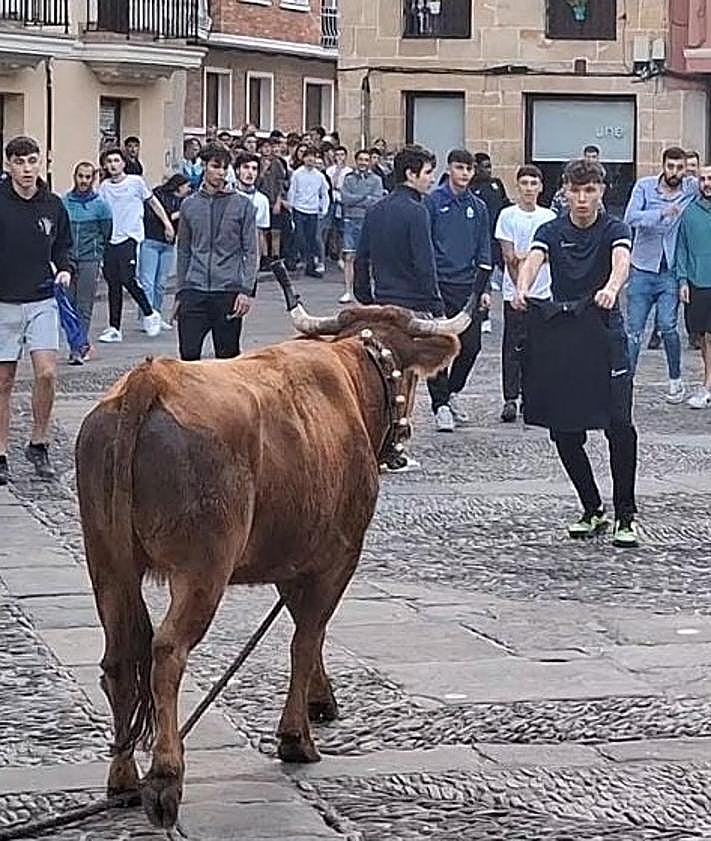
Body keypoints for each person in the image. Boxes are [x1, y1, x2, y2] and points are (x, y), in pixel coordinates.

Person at [513, 158, 638, 548]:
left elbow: (622, 261)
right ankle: (592, 508)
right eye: (576, 191)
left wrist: (612, 288)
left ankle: (626, 514)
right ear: (565, 192)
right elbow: (533, 259)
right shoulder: (551, 229)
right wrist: (521, 287)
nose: (582, 199)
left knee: (619, 426)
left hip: (604, 330)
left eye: (590, 191)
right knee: (564, 430)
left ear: (602, 191)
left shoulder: (614, 227)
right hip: (564, 334)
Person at [354, 145, 442, 472]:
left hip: (381, 304)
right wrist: (435, 303)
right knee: (405, 382)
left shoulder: (376, 209)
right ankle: (394, 448)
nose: (431, 179)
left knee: (379, 376)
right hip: (411, 307)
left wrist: (365, 296)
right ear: (411, 173)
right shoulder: (417, 211)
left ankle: (379, 442)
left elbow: (361, 257)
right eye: (428, 172)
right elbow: (425, 261)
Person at [0, 136, 74, 484]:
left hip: (42, 299)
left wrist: (65, 268)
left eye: (31, 161)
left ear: (42, 162)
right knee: (4, 381)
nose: (26, 169)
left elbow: (63, 246)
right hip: (3, 302)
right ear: (8, 165)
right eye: (19, 162)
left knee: (46, 373)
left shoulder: (53, 205)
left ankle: (39, 441)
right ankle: (0, 452)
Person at [424, 149, 492, 432]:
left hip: (468, 287)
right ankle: (439, 404)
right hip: (439, 285)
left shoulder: (478, 207)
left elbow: (484, 247)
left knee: (471, 345)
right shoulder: (432, 202)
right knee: (438, 346)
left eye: (469, 169)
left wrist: (485, 287)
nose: (464, 173)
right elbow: (424, 244)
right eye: (460, 168)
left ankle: (452, 392)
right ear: (450, 169)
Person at [624, 146, 697, 402]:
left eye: (680, 168)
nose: (674, 172)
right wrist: (661, 213)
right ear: (663, 165)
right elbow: (630, 217)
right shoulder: (644, 187)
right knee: (634, 330)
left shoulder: (690, 187)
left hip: (670, 270)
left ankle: (675, 380)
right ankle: (626, 381)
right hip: (643, 266)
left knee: (668, 326)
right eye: (671, 166)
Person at [175, 143, 258, 361]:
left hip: (227, 290)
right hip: (195, 289)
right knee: (189, 356)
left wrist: (246, 290)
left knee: (228, 358)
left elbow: (251, 251)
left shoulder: (243, 205)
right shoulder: (189, 205)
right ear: (204, 167)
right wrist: (181, 291)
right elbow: (183, 249)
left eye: (224, 168)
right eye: (215, 166)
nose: (220, 172)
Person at [495, 164, 556, 422]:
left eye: (534, 183)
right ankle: (511, 396)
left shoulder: (549, 218)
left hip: (543, 293)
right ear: (518, 186)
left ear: (540, 187)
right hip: (514, 293)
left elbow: (551, 253)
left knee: (539, 348)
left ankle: (533, 396)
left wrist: (528, 259)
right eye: (525, 183)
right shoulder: (507, 216)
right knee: (512, 346)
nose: (529, 188)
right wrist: (520, 280)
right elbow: (509, 256)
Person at [97, 147, 174, 342]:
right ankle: (114, 327)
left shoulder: (135, 182)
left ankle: (149, 313)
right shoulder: (104, 187)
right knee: (113, 283)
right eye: (109, 161)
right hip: (110, 239)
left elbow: (154, 203)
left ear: (123, 163)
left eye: (116, 161)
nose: (113, 165)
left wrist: (166, 224)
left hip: (130, 237)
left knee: (127, 278)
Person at [62, 161, 113, 363]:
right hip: (68, 259)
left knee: (84, 305)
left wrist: (98, 253)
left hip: (89, 259)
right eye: (80, 176)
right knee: (68, 304)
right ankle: (76, 343)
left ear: (93, 179)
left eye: (87, 177)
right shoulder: (65, 202)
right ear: (75, 177)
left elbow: (106, 233)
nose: (83, 180)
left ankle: (79, 347)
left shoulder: (101, 205)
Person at [138, 173, 191, 331]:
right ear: (179, 186)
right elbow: (156, 215)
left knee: (161, 283)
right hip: (151, 240)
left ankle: (157, 313)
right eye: (187, 186)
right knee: (148, 282)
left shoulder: (184, 202)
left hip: (168, 244)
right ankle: (147, 316)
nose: (188, 190)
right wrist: (177, 215)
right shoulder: (159, 195)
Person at [677, 164, 711, 408]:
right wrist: (682, 280)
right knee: (706, 338)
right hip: (700, 282)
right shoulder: (689, 212)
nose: (707, 183)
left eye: (710, 178)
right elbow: (682, 248)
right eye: (703, 179)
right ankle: (708, 384)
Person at [470, 152, 511, 334]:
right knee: (483, 276)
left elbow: (504, 203)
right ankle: (483, 315)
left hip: (498, 237)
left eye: (489, 166)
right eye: (484, 166)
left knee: (508, 269)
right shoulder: (471, 188)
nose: (488, 170)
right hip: (482, 238)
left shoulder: (496, 184)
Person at [341, 149, 382, 304]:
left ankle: (371, 289)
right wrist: (365, 198)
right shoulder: (349, 178)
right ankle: (348, 291)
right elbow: (345, 198)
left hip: (369, 221)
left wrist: (357, 200)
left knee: (370, 258)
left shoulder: (376, 180)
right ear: (356, 161)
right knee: (349, 256)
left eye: (366, 159)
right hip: (351, 220)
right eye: (361, 159)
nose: (363, 163)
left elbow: (377, 200)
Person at [287, 146, 330, 278]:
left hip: (313, 210)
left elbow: (324, 193)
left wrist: (324, 208)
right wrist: (291, 207)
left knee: (311, 239)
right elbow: (292, 191)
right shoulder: (297, 174)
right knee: (299, 236)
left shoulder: (319, 176)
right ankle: (292, 259)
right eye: (308, 156)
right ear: (304, 158)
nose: (310, 159)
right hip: (299, 209)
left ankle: (310, 267)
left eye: (313, 156)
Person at [235, 152, 271, 268]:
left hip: (249, 258)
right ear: (237, 170)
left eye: (254, 169)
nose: (250, 172)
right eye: (245, 167)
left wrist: (257, 262)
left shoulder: (262, 200)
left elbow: (260, 233)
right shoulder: (227, 196)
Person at [258, 138, 288, 264]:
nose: (267, 149)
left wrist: (278, 201)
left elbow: (281, 183)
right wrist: (263, 172)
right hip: (262, 201)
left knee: (276, 231)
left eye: (268, 147)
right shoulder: (257, 163)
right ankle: (265, 257)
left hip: (274, 200)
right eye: (264, 147)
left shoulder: (277, 163)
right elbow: (256, 183)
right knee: (263, 231)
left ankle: (275, 256)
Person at [326, 145, 352, 271]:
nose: (340, 157)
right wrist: (337, 172)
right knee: (330, 229)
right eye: (338, 155)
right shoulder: (330, 170)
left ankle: (341, 255)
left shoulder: (348, 171)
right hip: (331, 200)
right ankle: (331, 252)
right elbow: (330, 185)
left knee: (342, 230)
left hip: (342, 202)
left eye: (342, 155)